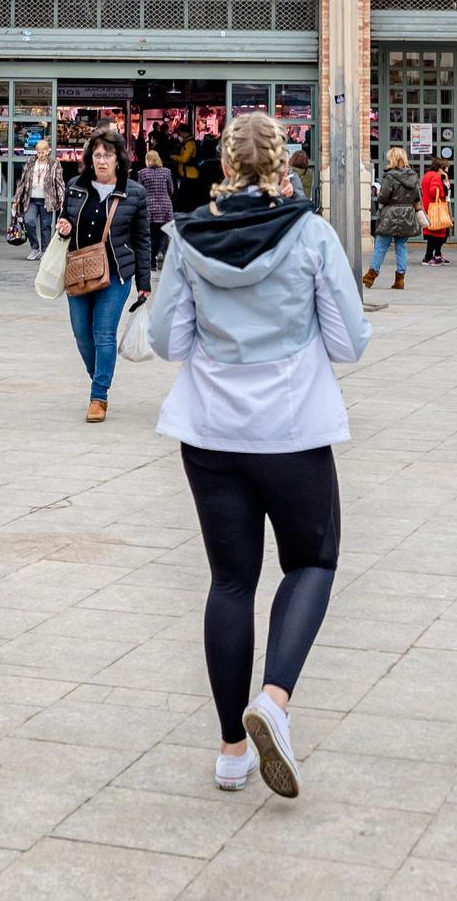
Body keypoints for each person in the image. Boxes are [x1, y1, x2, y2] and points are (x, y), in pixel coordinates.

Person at [149, 110, 370, 798]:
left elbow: (165, 339)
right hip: (291, 429)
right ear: (281, 165)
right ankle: (273, 699)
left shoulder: (186, 236)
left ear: (222, 167)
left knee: (230, 582)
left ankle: (229, 752)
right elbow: (347, 340)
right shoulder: (309, 233)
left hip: (210, 430)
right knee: (311, 561)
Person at [54, 129, 152, 422]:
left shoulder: (134, 192)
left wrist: (144, 283)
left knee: (103, 334)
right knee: (83, 336)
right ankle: (99, 377)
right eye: (96, 155)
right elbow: (65, 218)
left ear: (119, 160)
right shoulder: (76, 186)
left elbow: (142, 240)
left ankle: (99, 396)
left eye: (107, 155)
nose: (101, 160)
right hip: (79, 272)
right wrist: (64, 226)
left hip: (117, 274)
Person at [364, 146, 418, 290]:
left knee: (381, 245)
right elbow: (417, 196)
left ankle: (371, 276)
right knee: (401, 246)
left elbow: (383, 197)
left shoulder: (389, 176)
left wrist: (380, 192)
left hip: (390, 214)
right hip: (407, 214)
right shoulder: (413, 176)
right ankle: (400, 279)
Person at [14, 136, 64, 258]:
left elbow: (59, 182)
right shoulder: (30, 162)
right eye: (38, 151)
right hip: (31, 199)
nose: (40, 154)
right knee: (29, 221)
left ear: (48, 151)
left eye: (43, 152)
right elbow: (22, 181)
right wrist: (16, 199)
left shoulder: (54, 164)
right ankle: (34, 247)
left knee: (45, 226)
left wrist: (62, 200)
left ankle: (45, 251)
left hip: (47, 200)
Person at [138, 148, 176, 269]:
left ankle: (152, 263)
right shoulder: (167, 172)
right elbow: (171, 190)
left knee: (152, 234)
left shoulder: (142, 173)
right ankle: (162, 253)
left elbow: (140, 192)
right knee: (164, 232)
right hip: (165, 206)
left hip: (150, 207)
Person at [420, 159, 451, 265]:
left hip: (429, 207)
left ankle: (436, 254)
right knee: (436, 234)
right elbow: (434, 191)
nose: (447, 170)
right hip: (436, 209)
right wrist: (445, 189)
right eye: (446, 168)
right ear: (440, 168)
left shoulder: (428, 174)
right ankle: (428, 257)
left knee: (435, 233)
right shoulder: (435, 176)